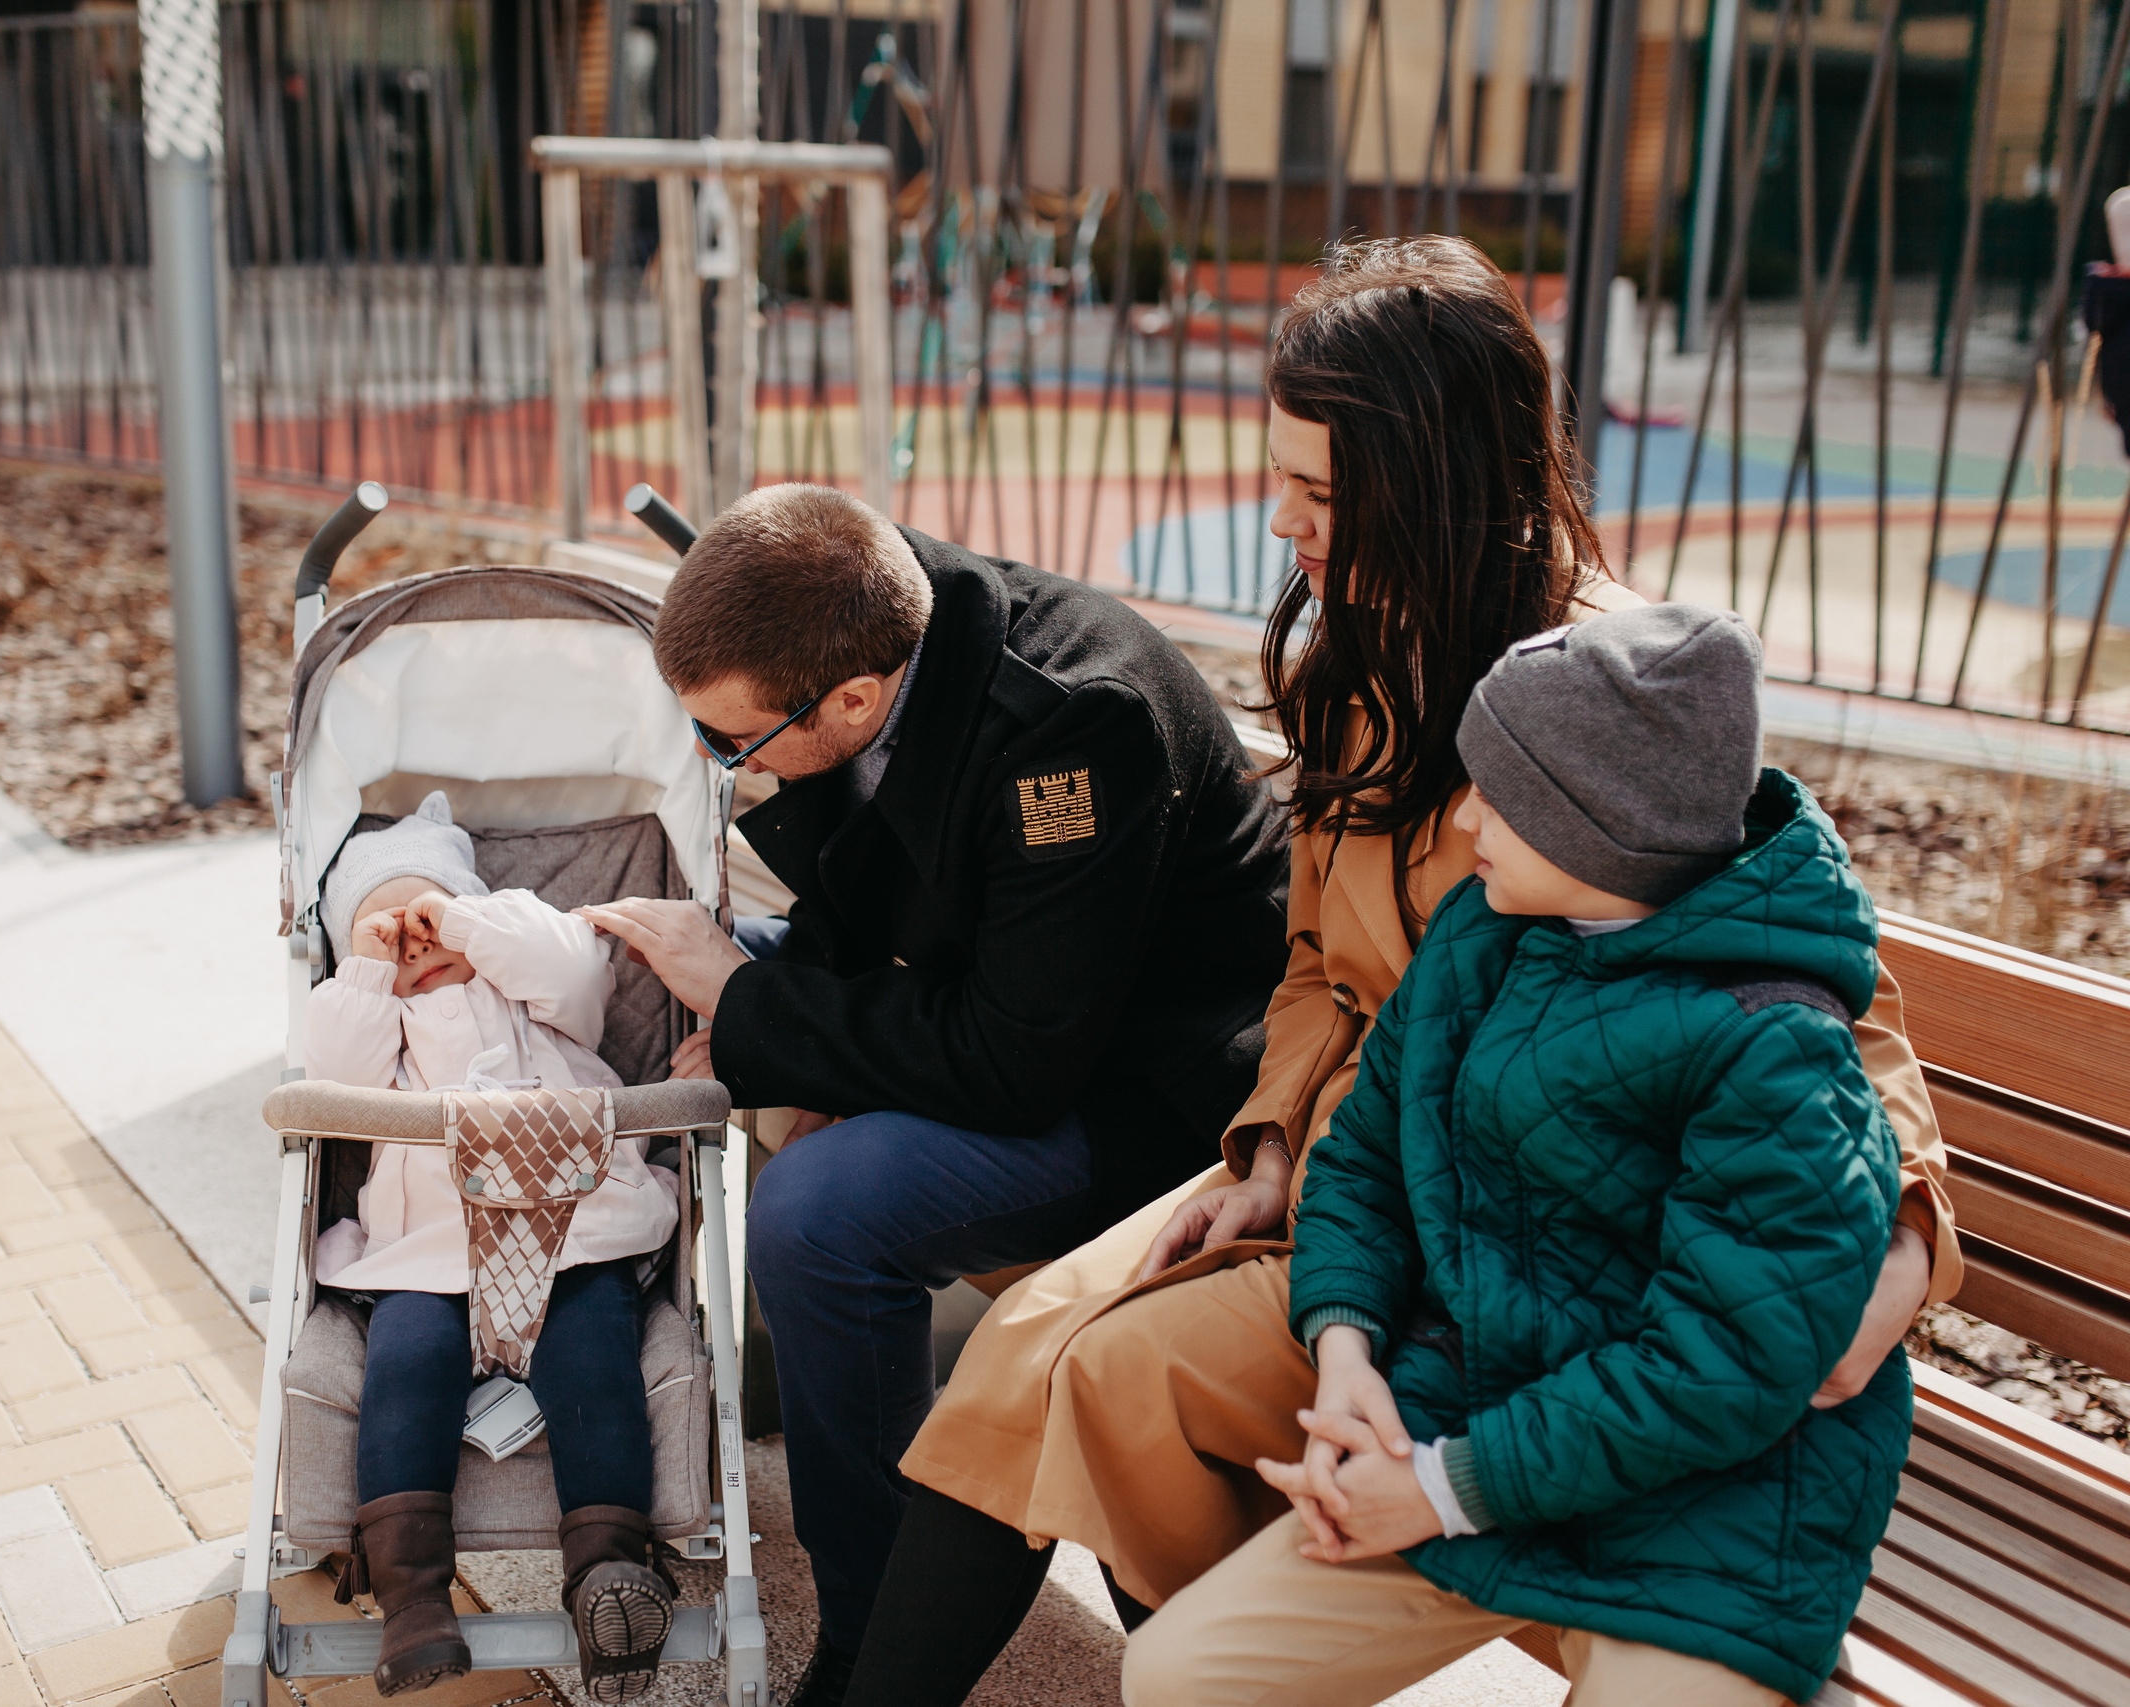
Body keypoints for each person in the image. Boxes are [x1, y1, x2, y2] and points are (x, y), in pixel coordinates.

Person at [844, 235, 1958, 1706]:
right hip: (1367, 1176)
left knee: (1101, 1371)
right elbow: (1315, 962)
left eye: (1320, 493)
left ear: (1435, 479)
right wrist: (1266, 1144)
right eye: (1282, 481)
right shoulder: (1366, 667)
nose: (1281, 525)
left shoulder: (1617, 692)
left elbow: (1818, 993)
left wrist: (1907, 1238)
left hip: (1545, 1235)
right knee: (1039, 1347)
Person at [1124, 602, 1912, 1706]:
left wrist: (1442, 1490)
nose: (1463, 815)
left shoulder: (1778, 1049)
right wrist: (1345, 1351)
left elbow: (1719, 1369)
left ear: (1598, 824)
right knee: (1179, 1674)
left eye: (1500, 791)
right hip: (1472, 1423)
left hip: (1707, 1510)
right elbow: (1364, 1159)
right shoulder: (1481, 936)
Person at [580, 481, 1292, 1703]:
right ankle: (882, 1596)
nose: (715, 764)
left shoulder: (1072, 729)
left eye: (727, 741)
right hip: (1011, 1011)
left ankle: (872, 1631)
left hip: (1149, 1097)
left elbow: (1015, 1062)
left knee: (819, 1211)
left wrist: (766, 1024)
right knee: (671, 969)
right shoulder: (868, 620)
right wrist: (761, 1015)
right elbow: (894, 909)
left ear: (851, 698)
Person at [303, 793, 681, 1702]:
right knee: (407, 1365)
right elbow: (333, 1072)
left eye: (428, 916)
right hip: (431, 1255)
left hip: (571, 1234)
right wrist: (365, 969)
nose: (414, 943)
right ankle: (412, 1599)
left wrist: (466, 919)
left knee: (594, 1356)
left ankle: (607, 1565)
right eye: (386, 932)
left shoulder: (534, 998)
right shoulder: (382, 1033)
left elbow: (576, 965)